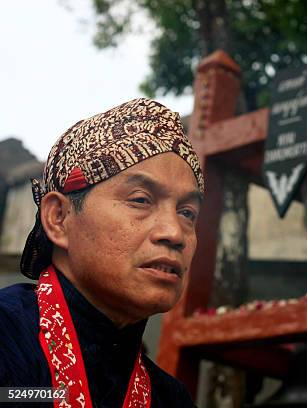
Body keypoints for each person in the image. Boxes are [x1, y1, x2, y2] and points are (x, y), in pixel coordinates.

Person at [0, 98, 204, 407]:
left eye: (187, 213)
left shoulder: (170, 398)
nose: (174, 233)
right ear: (59, 218)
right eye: (140, 200)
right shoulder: (7, 338)